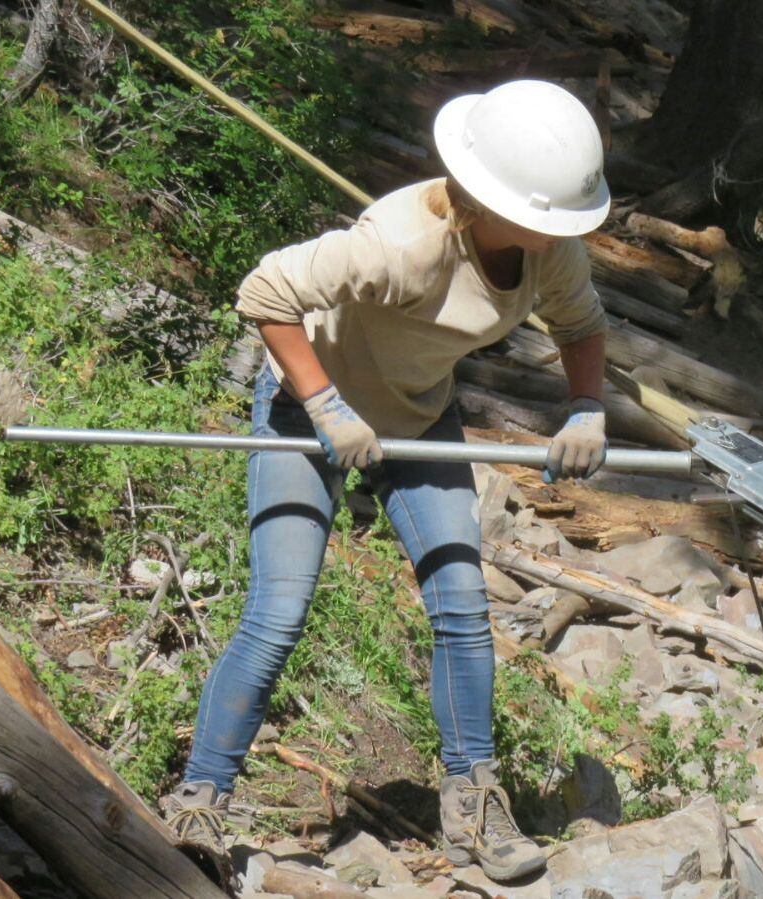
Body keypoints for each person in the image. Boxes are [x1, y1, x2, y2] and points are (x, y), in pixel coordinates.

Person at [158, 79, 612, 883]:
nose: (551, 234)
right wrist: (327, 405)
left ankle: (474, 802)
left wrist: (585, 410)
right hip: (309, 412)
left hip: (417, 415)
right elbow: (264, 291)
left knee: (463, 605)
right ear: (480, 194)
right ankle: (199, 798)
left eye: (557, 224)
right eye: (541, 219)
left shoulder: (548, 253)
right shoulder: (399, 242)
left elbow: (581, 325)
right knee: (280, 610)